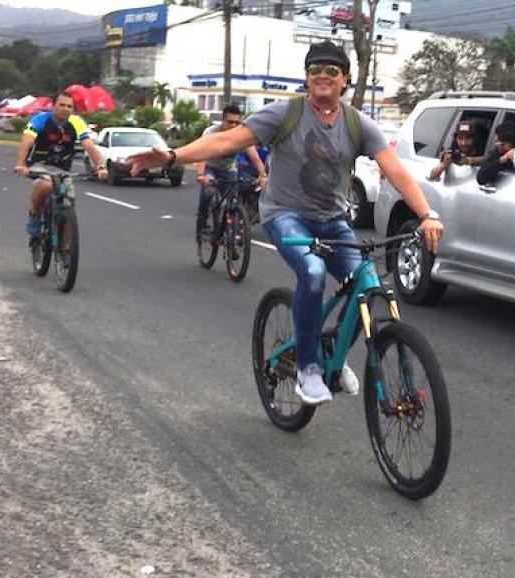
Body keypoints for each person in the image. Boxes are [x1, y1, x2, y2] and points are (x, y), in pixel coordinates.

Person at [127, 41, 444, 405]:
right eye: (314, 69)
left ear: (345, 79)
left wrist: (427, 215)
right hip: (285, 215)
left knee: (366, 284)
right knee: (312, 271)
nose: (322, 75)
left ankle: (334, 354)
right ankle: (308, 367)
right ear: (306, 78)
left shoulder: (357, 124)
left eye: (332, 70)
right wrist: (172, 156)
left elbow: (395, 170)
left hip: (332, 219)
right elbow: (227, 141)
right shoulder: (285, 113)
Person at [13, 92, 106, 245]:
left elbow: (89, 146)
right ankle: (35, 216)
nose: (65, 109)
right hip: (41, 165)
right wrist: (20, 164)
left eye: (69, 106)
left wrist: (100, 167)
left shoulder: (76, 122)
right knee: (45, 185)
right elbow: (26, 142)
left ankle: (65, 249)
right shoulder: (40, 119)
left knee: (69, 204)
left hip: (63, 169)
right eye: (61, 105)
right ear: (53, 106)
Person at [196, 105, 266, 239]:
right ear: (223, 120)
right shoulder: (211, 133)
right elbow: (201, 154)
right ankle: (202, 224)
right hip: (210, 167)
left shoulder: (241, 135)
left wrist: (263, 175)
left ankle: (232, 230)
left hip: (228, 169)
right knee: (208, 192)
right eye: (230, 122)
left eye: (236, 122)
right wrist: (200, 174)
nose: (233, 125)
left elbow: (255, 157)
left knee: (233, 200)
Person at [476, 120, 515, 187]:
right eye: (496, 141)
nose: (497, 144)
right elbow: (481, 178)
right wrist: (501, 160)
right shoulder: (496, 154)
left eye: (500, 142)